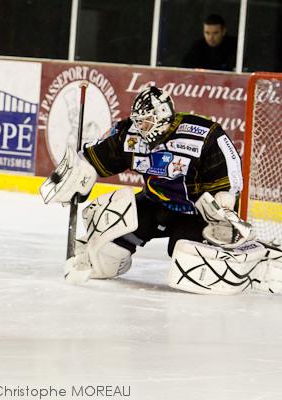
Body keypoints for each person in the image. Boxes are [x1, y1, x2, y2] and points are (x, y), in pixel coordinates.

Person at [40, 86, 282, 295]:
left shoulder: (204, 135)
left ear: (163, 116)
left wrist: (224, 208)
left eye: (146, 121)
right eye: (138, 121)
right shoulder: (131, 135)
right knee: (108, 243)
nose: (140, 127)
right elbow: (96, 156)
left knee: (187, 258)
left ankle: (260, 258)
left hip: (195, 214)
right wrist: (77, 173)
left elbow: (229, 179)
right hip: (155, 204)